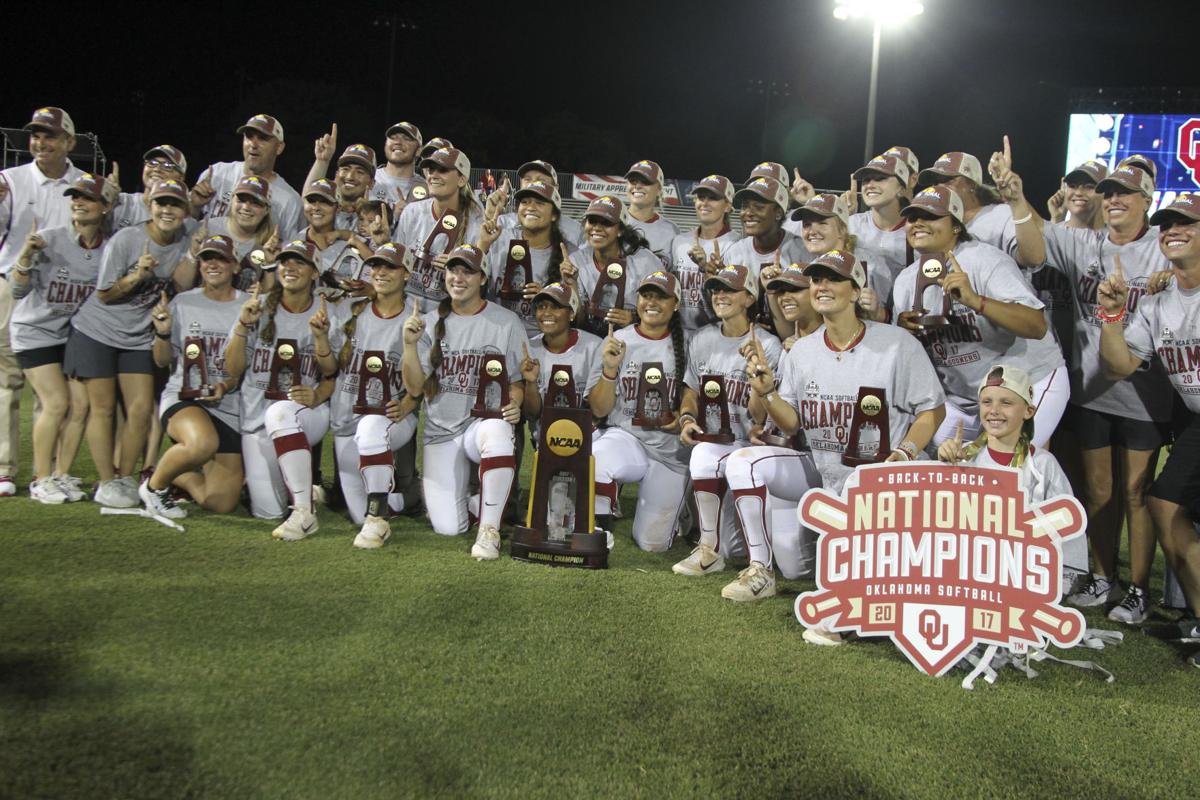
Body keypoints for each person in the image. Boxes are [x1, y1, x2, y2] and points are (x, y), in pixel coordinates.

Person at [735, 249, 944, 628]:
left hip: (888, 481)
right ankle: (762, 570)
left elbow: (932, 410)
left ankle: (863, 601)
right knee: (793, 561)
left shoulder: (897, 344)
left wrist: (905, 451)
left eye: (833, 278)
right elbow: (793, 423)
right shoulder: (802, 353)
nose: (822, 286)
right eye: (816, 279)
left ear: (855, 289)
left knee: (849, 585)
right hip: (830, 480)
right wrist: (768, 394)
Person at [1001, 163, 1174, 618]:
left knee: (1137, 492)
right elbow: (1034, 249)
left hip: (1145, 392)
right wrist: (1018, 198)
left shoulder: (1162, 248)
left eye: (1127, 194)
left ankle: (1138, 589)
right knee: (1098, 490)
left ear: (1147, 202)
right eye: (1110, 193)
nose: (1116, 200)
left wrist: (1172, 281)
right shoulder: (1083, 242)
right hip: (1091, 390)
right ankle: (1102, 577)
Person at [1097, 193, 1200, 651]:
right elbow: (1117, 365)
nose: (1174, 231)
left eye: (1187, 225)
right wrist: (1113, 315)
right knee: (1164, 505)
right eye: (1168, 225)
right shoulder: (1157, 304)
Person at [892, 186, 1066, 450]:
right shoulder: (905, 281)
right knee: (942, 469)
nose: (918, 223)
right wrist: (904, 336)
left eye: (930, 216)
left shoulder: (985, 260)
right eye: (913, 217)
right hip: (963, 396)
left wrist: (976, 301)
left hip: (1028, 380)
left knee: (1010, 466)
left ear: (956, 227)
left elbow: (1036, 325)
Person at [66, 179, 197, 507]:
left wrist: (194, 254)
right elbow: (104, 294)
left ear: (185, 211)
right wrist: (137, 276)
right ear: (150, 205)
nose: (167, 210)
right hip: (97, 331)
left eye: (175, 205)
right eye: (161, 203)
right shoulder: (128, 239)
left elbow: (178, 286)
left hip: (138, 336)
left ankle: (124, 477)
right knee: (104, 408)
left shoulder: (185, 240)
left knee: (140, 410)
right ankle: (107, 482)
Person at [401, 244, 525, 559]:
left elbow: (516, 382)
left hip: (479, 424)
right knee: (448, 528)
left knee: (497, 430)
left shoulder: (506, 321)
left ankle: (490, 529)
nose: (458, 277)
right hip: (442, 429)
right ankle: (477, 504)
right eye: (453, 270)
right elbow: (415, 387)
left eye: (467, 271)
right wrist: (409, 346)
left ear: (483, 278)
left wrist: (514, 402)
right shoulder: (428, 322)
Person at [674, 264, 782, 576]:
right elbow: (690, 390)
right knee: (702, 454)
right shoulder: (703, 339)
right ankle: (708, 549)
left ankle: (759, 564)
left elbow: (761, 415)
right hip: (718, 440)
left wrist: (756, 375)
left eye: (729, 290)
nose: (720, 295)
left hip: (754, 442)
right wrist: (686, 418)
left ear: (749, 298)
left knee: (742, 548)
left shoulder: (768, 345)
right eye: (716, 290)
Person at [6, 173, 108, 503]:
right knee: (57, 402)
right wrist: (25, 255)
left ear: (104, 207)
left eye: (87, 197)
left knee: (80, 405)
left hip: (70, 336)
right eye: (74, 196)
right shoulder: (49, 239)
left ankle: (61, 474)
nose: (78, 202)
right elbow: (19, 289)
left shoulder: (109, 249)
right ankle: (40, 479)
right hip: (34, 332)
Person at [223, 240, 337, 534]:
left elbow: (333, 373)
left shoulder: (327, 313)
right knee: (267, 512)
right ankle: (298, 488)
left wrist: (316, 394)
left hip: (304, 413)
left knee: (280, 413)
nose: (291, 267)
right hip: (255, 419)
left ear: (314, 272)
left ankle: (304, 511)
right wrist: (241, 326)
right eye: (286, 261)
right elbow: (232, 369)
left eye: (300, 262)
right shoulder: (256, 308)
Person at [0, 107, 85, 498]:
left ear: (69, 142)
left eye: (49, 136)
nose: (40, 142)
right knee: (7, 382)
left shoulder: (84, 183)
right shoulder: (11, 181)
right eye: (35, 135)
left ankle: (46, 470)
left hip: (64, 297)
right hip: (11, 287)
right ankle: (4, 469)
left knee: (54, 392)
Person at [937, 364, 1088, 582]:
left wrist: (1058, 586)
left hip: (1022, 581)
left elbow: (1067, 529)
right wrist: (943, 469)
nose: (994, 410)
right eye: (986, 402)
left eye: (1006, 402)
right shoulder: (963, 458)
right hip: (966, 577)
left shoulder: (1043, 465)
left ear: (1029, 411)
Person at [139, 235, 247, 517]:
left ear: (236, 266)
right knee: (202, 443)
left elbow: (242, 368)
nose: (213, 264)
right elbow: (162, 361)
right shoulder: (182, 303)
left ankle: (174, 474)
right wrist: (162, 332)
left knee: (221, 503)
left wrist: (225, 385)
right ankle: (155, 489)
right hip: (183, 396)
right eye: (207, 258)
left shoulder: (248, 307)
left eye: (221, 258)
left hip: (227, 403)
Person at [327, 242, 423, 546]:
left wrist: (409, 345)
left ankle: (378, 518)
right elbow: (328, 367)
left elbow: (418, 388)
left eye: (390, 266)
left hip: (391, 417)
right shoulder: (349, 310)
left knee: (371, 429)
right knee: (357, 511)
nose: (380, 272)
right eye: (376, 266)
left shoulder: (418, 319)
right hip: (346, 416)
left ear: (406, 274)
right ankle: (405, 498)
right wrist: (319, 339)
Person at [587, 271, 688, 552]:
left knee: (652, 544)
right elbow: (598, 408)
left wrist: (685, 417)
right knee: (599, 456)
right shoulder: (617, 340)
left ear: (676, 303)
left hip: (670, 452)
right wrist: (609, 369)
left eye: (661, 296)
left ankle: (682, 510)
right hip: (627, 438)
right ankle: (597, 529)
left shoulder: (689, 344)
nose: (652, 302)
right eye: (646, 295)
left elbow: (699, 398)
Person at [393, 146, 484, 312]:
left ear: (461, 180)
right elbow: (397, 267)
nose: (433, 175)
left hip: (449, 311)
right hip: (406, 306)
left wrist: (457, 269)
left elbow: (480, 284)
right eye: (431, 169)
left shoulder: (475, 223)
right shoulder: (412, 212)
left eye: (443, 170)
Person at [479, 180, 571, 336]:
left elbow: (574, 316)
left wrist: (547, 300)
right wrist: (483, 244)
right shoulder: (498, 238)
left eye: (539, 203)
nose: (530, 207)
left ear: (554, 215)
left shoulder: (567, 256)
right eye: (525, 202)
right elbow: (471, 285)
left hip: (538, 342)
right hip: (493, 334)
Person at [190, 113, 303, 238]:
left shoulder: (289, 200)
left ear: (279, 147)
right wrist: (194, 206)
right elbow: (184, 230)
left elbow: (290, 249)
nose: (253, 144)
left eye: (263, 138)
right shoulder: (217, 174)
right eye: (249, 137)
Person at [791, 193, 892, 321]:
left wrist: (877, 313)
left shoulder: (873, 265)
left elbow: (893, 318)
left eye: (822, 223)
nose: (812, 231)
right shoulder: (809, 271)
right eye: (807, 225)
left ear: (842, 229)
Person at [571, 195, 662, 337]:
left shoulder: (646, 262)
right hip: (589, 339)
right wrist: (571, 284)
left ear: (620, 230)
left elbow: (663, 310)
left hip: (634, 338)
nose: (597, 228)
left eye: (606, 223)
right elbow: (577, 322)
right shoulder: (576, 260)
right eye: (592, 221)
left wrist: (636, 319)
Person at [668, 174, 742, 332]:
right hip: (680, 333)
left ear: (728, 206)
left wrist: (711, 271)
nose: (705, 203)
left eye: (713, 198)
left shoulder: (737, 245)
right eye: (701, 197)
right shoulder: (679, 242)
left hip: (717, 333)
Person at [204, 175, 281, 291]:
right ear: (232, 201)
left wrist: (263, 292)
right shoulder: (207, 229)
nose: (246, 207)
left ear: (267, 210)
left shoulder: (270, 245)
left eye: (255, 203)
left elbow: (272, 293)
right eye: (241, 200)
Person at [848, 153, 911, 280]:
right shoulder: (851, 224)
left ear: (901, 187)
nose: (870, 185)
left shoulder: (917, 230)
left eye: (880, 178)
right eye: (866, 180)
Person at [497, 160, 584, 248]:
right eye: (527, 179)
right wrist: (490, 216)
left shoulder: (575, 231)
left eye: (541, 180)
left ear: (556, 189)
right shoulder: (503, 223)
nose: (533, 184)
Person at [108, 145, 188, 231]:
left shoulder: (182, 217)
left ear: (181, 178)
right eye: (152, 163)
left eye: (167, 166)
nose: (157, 169)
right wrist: (106, 201)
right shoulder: (122, 201)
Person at [624, 160, 679, 266]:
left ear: (659, 190)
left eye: (645, 181)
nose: (638, 186)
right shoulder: (611, 222)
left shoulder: (671, 230)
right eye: (633, 180)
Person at [376, 121, 428, 206]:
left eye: (406, 139)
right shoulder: (367, 179)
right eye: (393, 137)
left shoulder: (427, 189)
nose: (398, 142)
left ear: (419, 151)